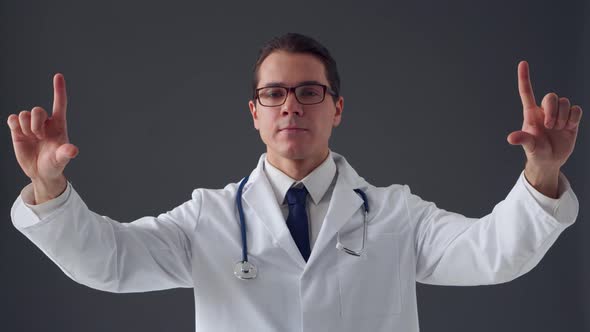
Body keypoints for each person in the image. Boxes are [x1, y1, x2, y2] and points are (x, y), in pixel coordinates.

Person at [7, 33, 582, 331]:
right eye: (273, 94)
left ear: (337, 109)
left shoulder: (394, 214)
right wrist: (50, 189)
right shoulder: (207, 218)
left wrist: (543, 172)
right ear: (253, 113)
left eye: (310, 92)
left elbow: (491, 255)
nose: (291, 106)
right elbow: (109, 262)